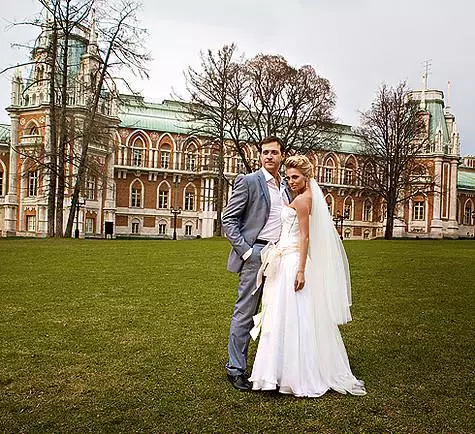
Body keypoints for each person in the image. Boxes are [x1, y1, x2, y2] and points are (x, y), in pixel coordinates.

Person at [249, 155, 367, 397]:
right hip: (285, 259)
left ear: (306, 178)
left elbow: (304, 237)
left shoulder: (303, 201)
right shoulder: (302, 197)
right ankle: (282, 371)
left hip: (293, 262)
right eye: (289, 177)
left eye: (296, 177)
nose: (291, 181)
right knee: (285, 315)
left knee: (291, 316)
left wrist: (301, 269)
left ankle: (293, 374)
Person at [222, 136, 290, 391]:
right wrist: (248, 253)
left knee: (277, 312)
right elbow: (228, 219)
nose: (269, 156)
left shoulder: (285, 186)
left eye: (274, 152)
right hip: (256, 255)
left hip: (281, 255)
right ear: (260, 156)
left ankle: (271, 369)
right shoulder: (249, 181)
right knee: (245, 312)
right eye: (265, 152)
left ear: (282, 155)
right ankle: (235, 369)